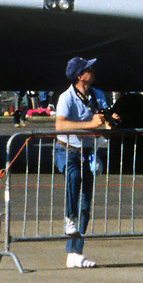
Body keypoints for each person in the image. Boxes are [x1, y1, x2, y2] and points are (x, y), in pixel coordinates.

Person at [54, 57, 114, 269]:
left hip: (88, 151)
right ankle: (68, 217)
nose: (93, 70)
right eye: (89, 69)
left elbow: (103, 122)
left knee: (86, 203)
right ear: (80, 76)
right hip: (67, 150)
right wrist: (91, 124)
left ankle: (75, 254)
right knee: (73, 177)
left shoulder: (97, 95)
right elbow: (60, 125)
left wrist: (110, 121)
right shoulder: (66, 97)